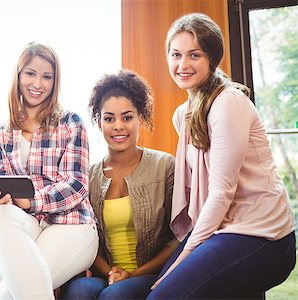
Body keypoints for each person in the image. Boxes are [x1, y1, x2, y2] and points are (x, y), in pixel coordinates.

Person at [147, 13, 296, 299]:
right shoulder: (183, 114)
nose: (183, 65)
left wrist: (186, 255)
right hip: (222, 227)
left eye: (195, 55)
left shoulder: (228, 102)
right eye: (176, 54)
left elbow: (221, 192)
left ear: (212, 58)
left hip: (264, 235)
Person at [0, 42, 99, 300]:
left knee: (6, 294)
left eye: (47, 76)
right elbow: (5, 186)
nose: (38, 83)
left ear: (55, 82)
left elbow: (77, 186)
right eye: (30, 74)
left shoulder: (70, 123)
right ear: (18, 76)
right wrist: (1, 197)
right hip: (28, 224)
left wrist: (32, 200)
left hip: (73, 225)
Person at [60, 70, 179, 300]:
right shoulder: (87, 176)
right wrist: (111, 273)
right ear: (98, 122)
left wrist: (134, 274)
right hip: (108, 275)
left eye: (127, 117)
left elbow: (178, 237)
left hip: (152, 274)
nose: (118, 126)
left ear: (140, 118)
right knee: (78, 292)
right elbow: (82, 236)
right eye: (109, 118)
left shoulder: (164, 166)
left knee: (114, 297)